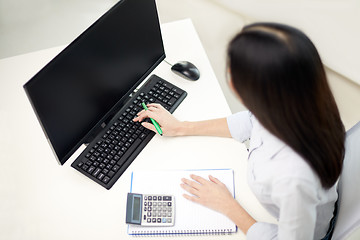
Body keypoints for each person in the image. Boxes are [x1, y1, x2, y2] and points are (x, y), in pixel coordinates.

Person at [133, 22, 345, 239]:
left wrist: (227, 206)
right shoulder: (299, 102)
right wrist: (182, 127)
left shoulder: (294, 177)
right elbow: (251, 121)